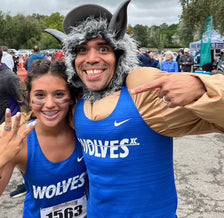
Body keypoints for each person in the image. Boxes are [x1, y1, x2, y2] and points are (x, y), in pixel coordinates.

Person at [44, 1, 224, 217]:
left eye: (103, 48)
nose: (91, 58)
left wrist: (201, 86)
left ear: (119, 55)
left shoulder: (142, 92)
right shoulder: (78, 104)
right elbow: (45, 127)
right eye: (82, 50)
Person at [0, 59, 88, 218]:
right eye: (40, 95)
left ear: (72, 97)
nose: (50, 104)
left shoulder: (85, 131)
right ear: (29, 98)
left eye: (59, 94)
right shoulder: (20, 141)